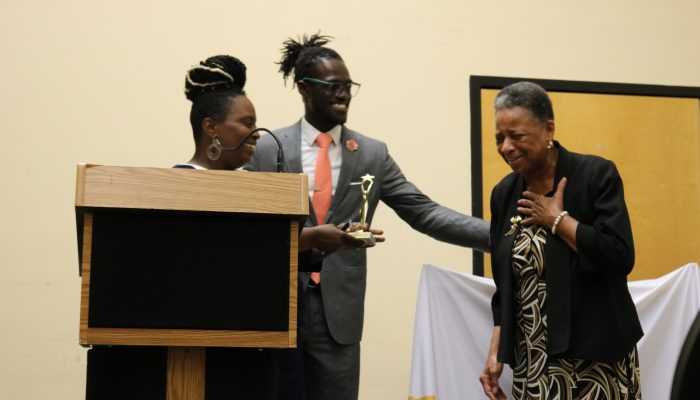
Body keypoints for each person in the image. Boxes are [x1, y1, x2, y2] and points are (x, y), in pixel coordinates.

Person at [245, 34, 490, 400]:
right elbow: (247, 226)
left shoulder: (372, 154)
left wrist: (500, 233)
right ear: (303, 88)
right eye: (333, 86)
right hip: (276, 307)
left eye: (348, 86)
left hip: (339, 319)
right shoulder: (266, 148)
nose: (343, 94)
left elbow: (424, 212)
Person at [179, 54, 380, 400]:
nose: (257, 133)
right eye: (246, 123)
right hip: (215, 345)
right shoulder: (182, 185)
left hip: (269, 341)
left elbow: (256, 256)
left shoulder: (250, 186)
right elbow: (221, 255)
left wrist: (318, 247)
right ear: (211, 128)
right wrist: (313, 236)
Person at [479, 81, 643, 399]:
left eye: (517, 135)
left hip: (596, 361)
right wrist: (496, 353)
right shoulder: (504, 194)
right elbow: (505, 287)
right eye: (500, 137)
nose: (505, 147)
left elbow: (619, 255)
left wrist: (558, 221)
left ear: (548, 129)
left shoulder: (595, 176)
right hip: (534, 364)